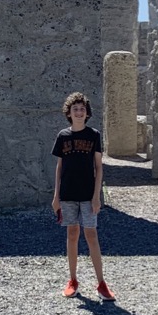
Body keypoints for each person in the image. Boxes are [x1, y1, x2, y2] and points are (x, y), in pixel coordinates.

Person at [50, 92, 115, 301]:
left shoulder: (93, 135)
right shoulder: (62, 136)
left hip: (88, 195)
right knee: (71, 234)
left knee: (92, 235)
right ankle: (73, 280)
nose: (79, 112)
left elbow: (99, 167)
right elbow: (59, 167)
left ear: (87, 113)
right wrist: (56, 196)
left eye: (82, 109)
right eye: (75, 109)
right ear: (69, 113)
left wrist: (97, 196)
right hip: (68, 194)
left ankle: (101, 283)